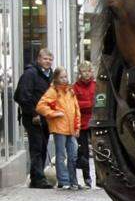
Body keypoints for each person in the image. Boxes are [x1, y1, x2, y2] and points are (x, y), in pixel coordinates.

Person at [36, 67, 81, 190]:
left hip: (71, 128)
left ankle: (73, 181)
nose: (64, 79)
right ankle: (64, 181)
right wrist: (54, 114)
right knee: (61, 155)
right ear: (56, 78)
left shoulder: (70, 91)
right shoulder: (53, 91)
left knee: (73, 154)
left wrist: (77, 126)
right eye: (61, 77)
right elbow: (40, 106)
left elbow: (76, 109)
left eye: (65, 76)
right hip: (59, 128)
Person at [15, 49, 53, 189]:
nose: (47, 61)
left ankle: (36, 177)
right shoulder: (30, 74)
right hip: (32, 118)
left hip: (46, 118)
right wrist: (33, 114)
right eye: (45, 59)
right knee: (36, 147)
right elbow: (21, 96)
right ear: (38, 59)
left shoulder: (50, 75)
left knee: (42, 146)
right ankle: (39, 180)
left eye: (50, 59)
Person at [73, 61, 96, 189]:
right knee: (84, 152)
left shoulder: (96, 86)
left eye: (88, 71)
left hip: (93, 122)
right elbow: (74, 105)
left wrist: (85, 104)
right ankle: (87, 178)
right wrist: (88, 104)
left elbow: (98, 102)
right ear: (80, 73)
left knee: (99, 151)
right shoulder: (75, 87)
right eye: (83, 72)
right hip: (81, 124)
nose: (86, 74)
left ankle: (100, 178)